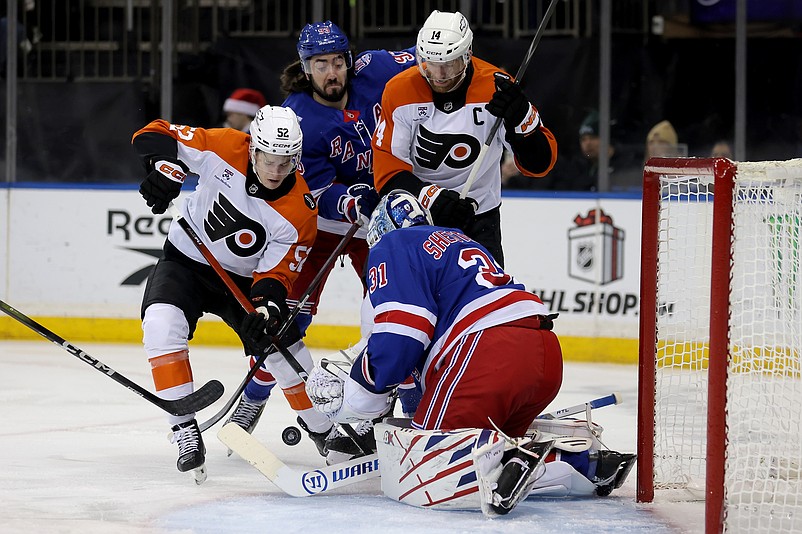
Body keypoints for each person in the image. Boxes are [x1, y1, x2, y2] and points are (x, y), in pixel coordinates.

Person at [305, 191, 635, 514]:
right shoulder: (457, 244)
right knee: (475, 440)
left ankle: (518, 460)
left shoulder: (394, 246)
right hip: (542, 353)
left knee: (427, 468)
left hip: (487, 353)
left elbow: (401, 338)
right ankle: (586, 463)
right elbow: (417, 356)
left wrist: (358, 400)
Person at [222, 20, 418, 464]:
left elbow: (428, 59)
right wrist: (353, 202)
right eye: (319, 64)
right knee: (289, 323)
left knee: (400, 312)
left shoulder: (377, 69)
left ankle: (411, 411)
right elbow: (316, 192)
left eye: (336, 62)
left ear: (348, 60)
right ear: (305, 68)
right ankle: (252, 401)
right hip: (319, 229)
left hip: (378, 226)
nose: (331, 72)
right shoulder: (296, 118)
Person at [132, 105, 336, 482]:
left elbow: (276, 274)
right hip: (185, 262)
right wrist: (164, 167)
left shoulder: (300, 212)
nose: (276, 172)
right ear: (253, 148)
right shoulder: (227, 146)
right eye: (268, 160)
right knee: (161, 324)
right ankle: (184, 430)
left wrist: (268, 307)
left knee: (282, 346)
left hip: (241, 282)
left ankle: (326, 431)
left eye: (285, 162)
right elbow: (153, 132)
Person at [371, 10, 557, 267]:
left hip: (479, 219)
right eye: (430, 64)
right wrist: (431, 198)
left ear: (467, 55)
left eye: (449, 64)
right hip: (416, 217)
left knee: (486, 303)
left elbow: (540, 164)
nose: (438, 75)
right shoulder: (399, 91)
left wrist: (521, 120)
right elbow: (387, 171)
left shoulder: (496, 87)